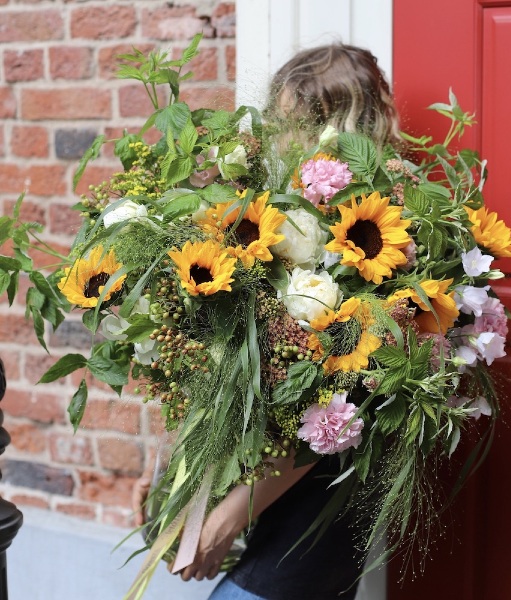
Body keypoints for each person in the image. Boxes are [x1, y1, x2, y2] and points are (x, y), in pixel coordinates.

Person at [132, 43, 401, 600]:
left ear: (339, 126)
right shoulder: (277, 215)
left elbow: (339, 410)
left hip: (315, 496)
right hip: (265, 486)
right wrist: (176, 479)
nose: (281, 137)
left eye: (295, 122)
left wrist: (226, 516)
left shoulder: (377, 242)